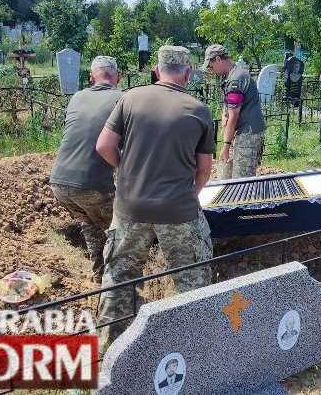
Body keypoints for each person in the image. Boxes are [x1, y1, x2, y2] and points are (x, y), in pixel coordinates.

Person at [96, 45, 214, 348]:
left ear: (157, 70)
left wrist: (128, 172)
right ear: (187, 74)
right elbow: (204, 169)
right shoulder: (198, 110)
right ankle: (192, 351)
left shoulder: (130, 98)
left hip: (130, 206)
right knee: (192, 279)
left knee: (119, 275)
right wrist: (191, 194)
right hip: (178, 209)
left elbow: (104, 146)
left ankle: (110, 353)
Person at [49, 56, 122, 283]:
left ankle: (98, 276)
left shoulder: (77, 97)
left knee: (90, 224)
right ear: (117, 77)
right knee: (119, 230)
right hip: (95, 185)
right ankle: (117, 286)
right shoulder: (123, 98)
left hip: (60, 183)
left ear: (91, 77)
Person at [202, 44, 265, 179]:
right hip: (239, 132)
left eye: (211, 66)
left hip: (248, 133)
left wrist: (225, 146)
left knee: (241, 179)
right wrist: (224, 113)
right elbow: (229, 106)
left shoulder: (236, 78)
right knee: (228, 175)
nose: (211, 70)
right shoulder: (231, 75)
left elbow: (233, 116)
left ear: (218, 59)